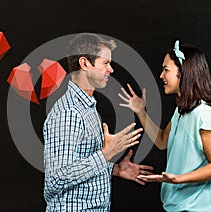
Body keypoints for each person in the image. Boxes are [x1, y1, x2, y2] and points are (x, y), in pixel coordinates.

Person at [43, 33, 154, 211]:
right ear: (85, 63)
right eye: (105, 63)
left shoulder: (87, 106)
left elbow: (80, 162)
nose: (111, 69)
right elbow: (56, 180)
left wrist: (115, 169)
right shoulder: (68, 113)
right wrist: (105, 155)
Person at [119, 40, 211, 211]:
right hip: (177, 207)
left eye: (166, 69)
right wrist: (141, 111)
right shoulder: (181, 111)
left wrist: (178, 178)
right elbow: (162, 141)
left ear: (184, 73)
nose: (161, 75)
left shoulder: (203, 115)